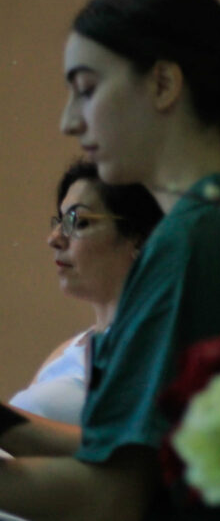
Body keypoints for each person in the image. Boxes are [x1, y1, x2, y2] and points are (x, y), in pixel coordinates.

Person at [0, 0, 220, 519]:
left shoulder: (191, 247)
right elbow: (140, 455)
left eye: (87, 90)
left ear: (164, 84)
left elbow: (113, 496)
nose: (69, 121)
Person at [8, 160, 163, 425]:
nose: (54, 238)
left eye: (78, 222)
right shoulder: (68, 350)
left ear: (138, 237)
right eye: (60, 221)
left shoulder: (155, 346)